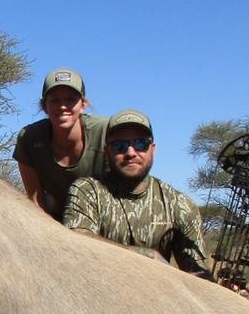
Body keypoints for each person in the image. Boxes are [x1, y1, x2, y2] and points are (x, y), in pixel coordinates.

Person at [63, 108, 213, 278]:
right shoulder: (87, 190)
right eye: (120, 146)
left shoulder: (179, 204)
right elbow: (78, 241)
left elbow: (198, 273)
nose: (130, 153)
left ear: (153, 149)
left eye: (140, 144)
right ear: (107, 151)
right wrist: (146, 256)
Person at [13, 69, 107, 221]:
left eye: (70, 100)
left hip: (103, 218)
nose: (63, 106)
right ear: (44, 106)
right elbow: (36, 201)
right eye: (55, 100)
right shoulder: (28, 138)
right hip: (54, 224)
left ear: (83, 105)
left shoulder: (105, 132)